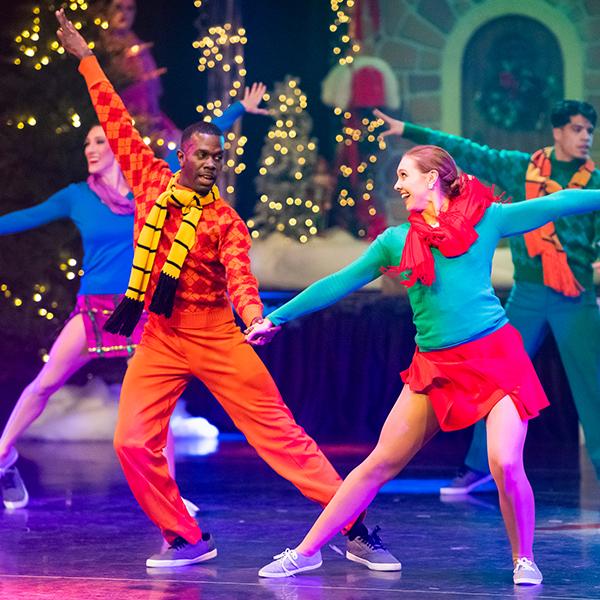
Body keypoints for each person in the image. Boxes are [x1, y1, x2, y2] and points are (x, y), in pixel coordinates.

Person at [55, 9, 399, 570]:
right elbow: (115, 119)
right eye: (204, 155)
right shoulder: (148, 180)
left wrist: (253, 315)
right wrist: (88, 59)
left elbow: (241, 276)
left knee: (280, 438)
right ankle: (186, 537)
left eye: (220, 156)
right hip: (161, 335)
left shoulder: (225, 221)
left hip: (216, 333)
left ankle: (353, 527)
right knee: (131, 441)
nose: (213, 164)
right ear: (183, 155)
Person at [247, 144, 600, 584]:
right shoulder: (396, 242)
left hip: (495, 359)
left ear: (432, 178)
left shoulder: (486, 220)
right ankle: (305, 551)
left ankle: (523, 557)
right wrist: (277, 317)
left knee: (504, 462)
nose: (397, 185)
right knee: (379, 463)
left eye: (404, 175)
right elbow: (338, 282)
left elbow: (555, 203)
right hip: (435, 366)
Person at [0, 74, 267, 512]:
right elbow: (27, 217)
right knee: (46, 382)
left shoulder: (152, 185)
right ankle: (4, 455)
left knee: (156, 402)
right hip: (96, 309)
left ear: (118, 148)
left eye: (99, 142)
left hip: (142, 306)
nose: (91, 149)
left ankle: (173, 495)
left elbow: (199, 143)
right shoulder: (76, 197)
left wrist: (239, 109)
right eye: (86, 143)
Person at [373, 102, 600, 495]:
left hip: (574, 294)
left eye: (589, 132)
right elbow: (466, 149)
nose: (585, 138)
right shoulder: (520, 167)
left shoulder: (593, 178)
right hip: (528, 294)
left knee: (592, 387)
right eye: (578, 130)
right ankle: (477, 467)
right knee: (494, 380)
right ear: (558, 132)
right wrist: (410, 128)